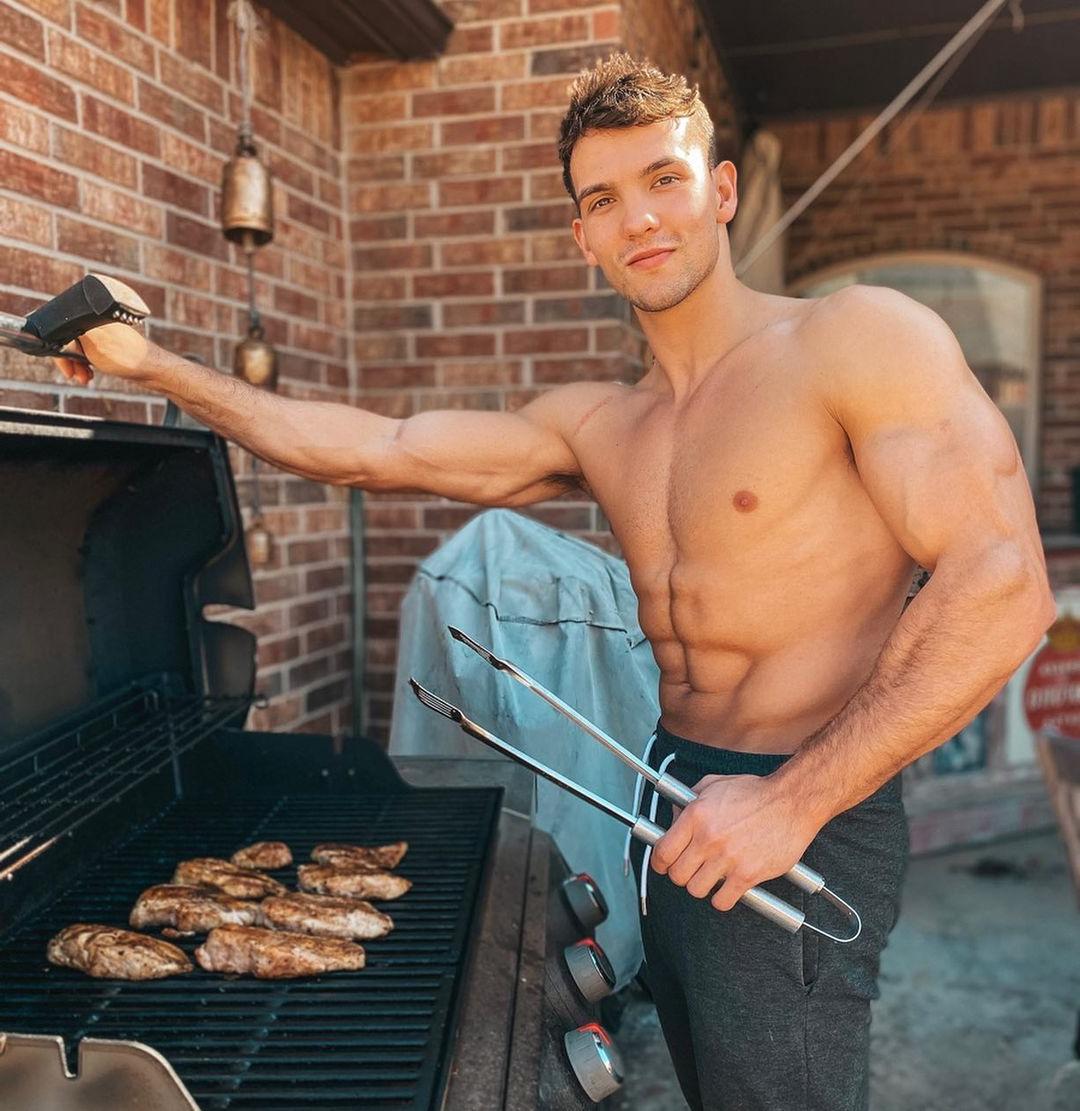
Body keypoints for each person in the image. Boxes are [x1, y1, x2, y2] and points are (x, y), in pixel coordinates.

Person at [54, 51, 1054, 1111]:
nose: (640, 220)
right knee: (713, 1072)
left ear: (719, 191)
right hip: (669, 794)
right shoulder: (602, 423)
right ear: (583, 236)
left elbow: (1004, 582)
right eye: (603, 199)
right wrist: (154, 369)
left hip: (804, 807)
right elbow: (375, 444)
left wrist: (791, 802)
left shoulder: (856, 339)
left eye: (664, 180)